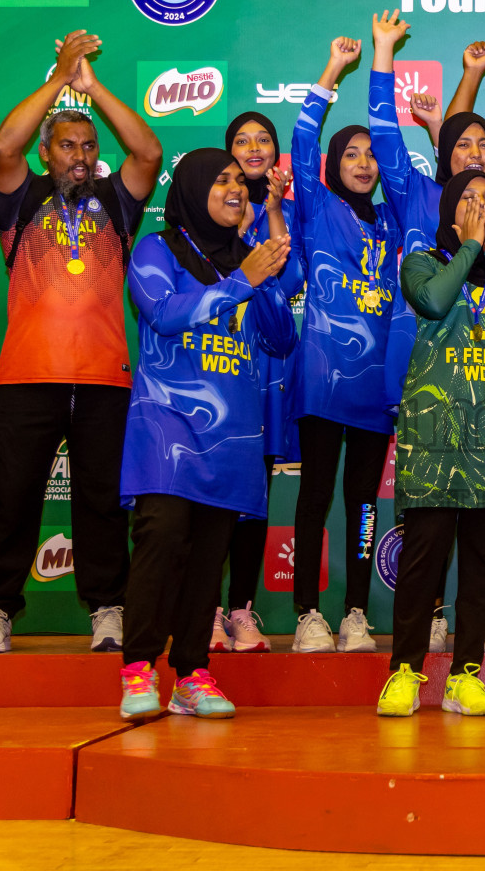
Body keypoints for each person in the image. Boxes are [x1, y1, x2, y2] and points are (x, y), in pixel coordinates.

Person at [0, 30, 161, 655]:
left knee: (103, 504)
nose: (80, 155)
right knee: (14, 502)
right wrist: (58, 77)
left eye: (88, 146)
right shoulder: (19, 198)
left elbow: (150, 152)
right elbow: (1, 143)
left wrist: (92, 87)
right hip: (27, 377)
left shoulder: (116, 200)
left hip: (106, 378)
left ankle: (107, 609)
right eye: (67, 145)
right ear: (46, 153)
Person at [115, 149, 295, 721]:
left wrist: (262, 279)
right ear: (193, 187)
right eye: (222, 180)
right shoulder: (157, 249)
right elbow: (164, 314)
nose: (236, 188)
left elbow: (280, 339)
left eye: (240, 182)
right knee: (162, 538)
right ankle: (138, 666)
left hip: (233, 438)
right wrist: (243, 278)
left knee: (207, 558)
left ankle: (192, 673)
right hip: (166, 425)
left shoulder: (248, 259)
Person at [376, 173, 485, 717]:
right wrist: (471, 244)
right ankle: (404, 672)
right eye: (470, 201)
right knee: (423, 561)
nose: (481, 207)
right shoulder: (422, 261)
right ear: (450, 212)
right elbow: (432, 301)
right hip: (434, 440)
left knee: (483, 564)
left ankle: (465, 675)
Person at [269, 35, 401, 654]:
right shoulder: (317, 207)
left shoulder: (394, 222)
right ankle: (305, 616)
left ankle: (354, 613)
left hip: (376, 386)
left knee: (363, 503)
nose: (364, 162)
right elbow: (299, 142)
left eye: (372, 154)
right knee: (317, 495)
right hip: (322, 377)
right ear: (332, 164)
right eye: (352, 153)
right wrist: (334, 69)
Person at [210, 109, 303, 655]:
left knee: (254, 498)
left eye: (263, 139)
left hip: (269, 370)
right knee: (212, 496)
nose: (252, 148)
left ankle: (242, 610)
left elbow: (285, 276)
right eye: (241, 141)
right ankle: (208, 609)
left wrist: (270, 210)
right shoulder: (213, 206)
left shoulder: (286, 210)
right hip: (218, 367)